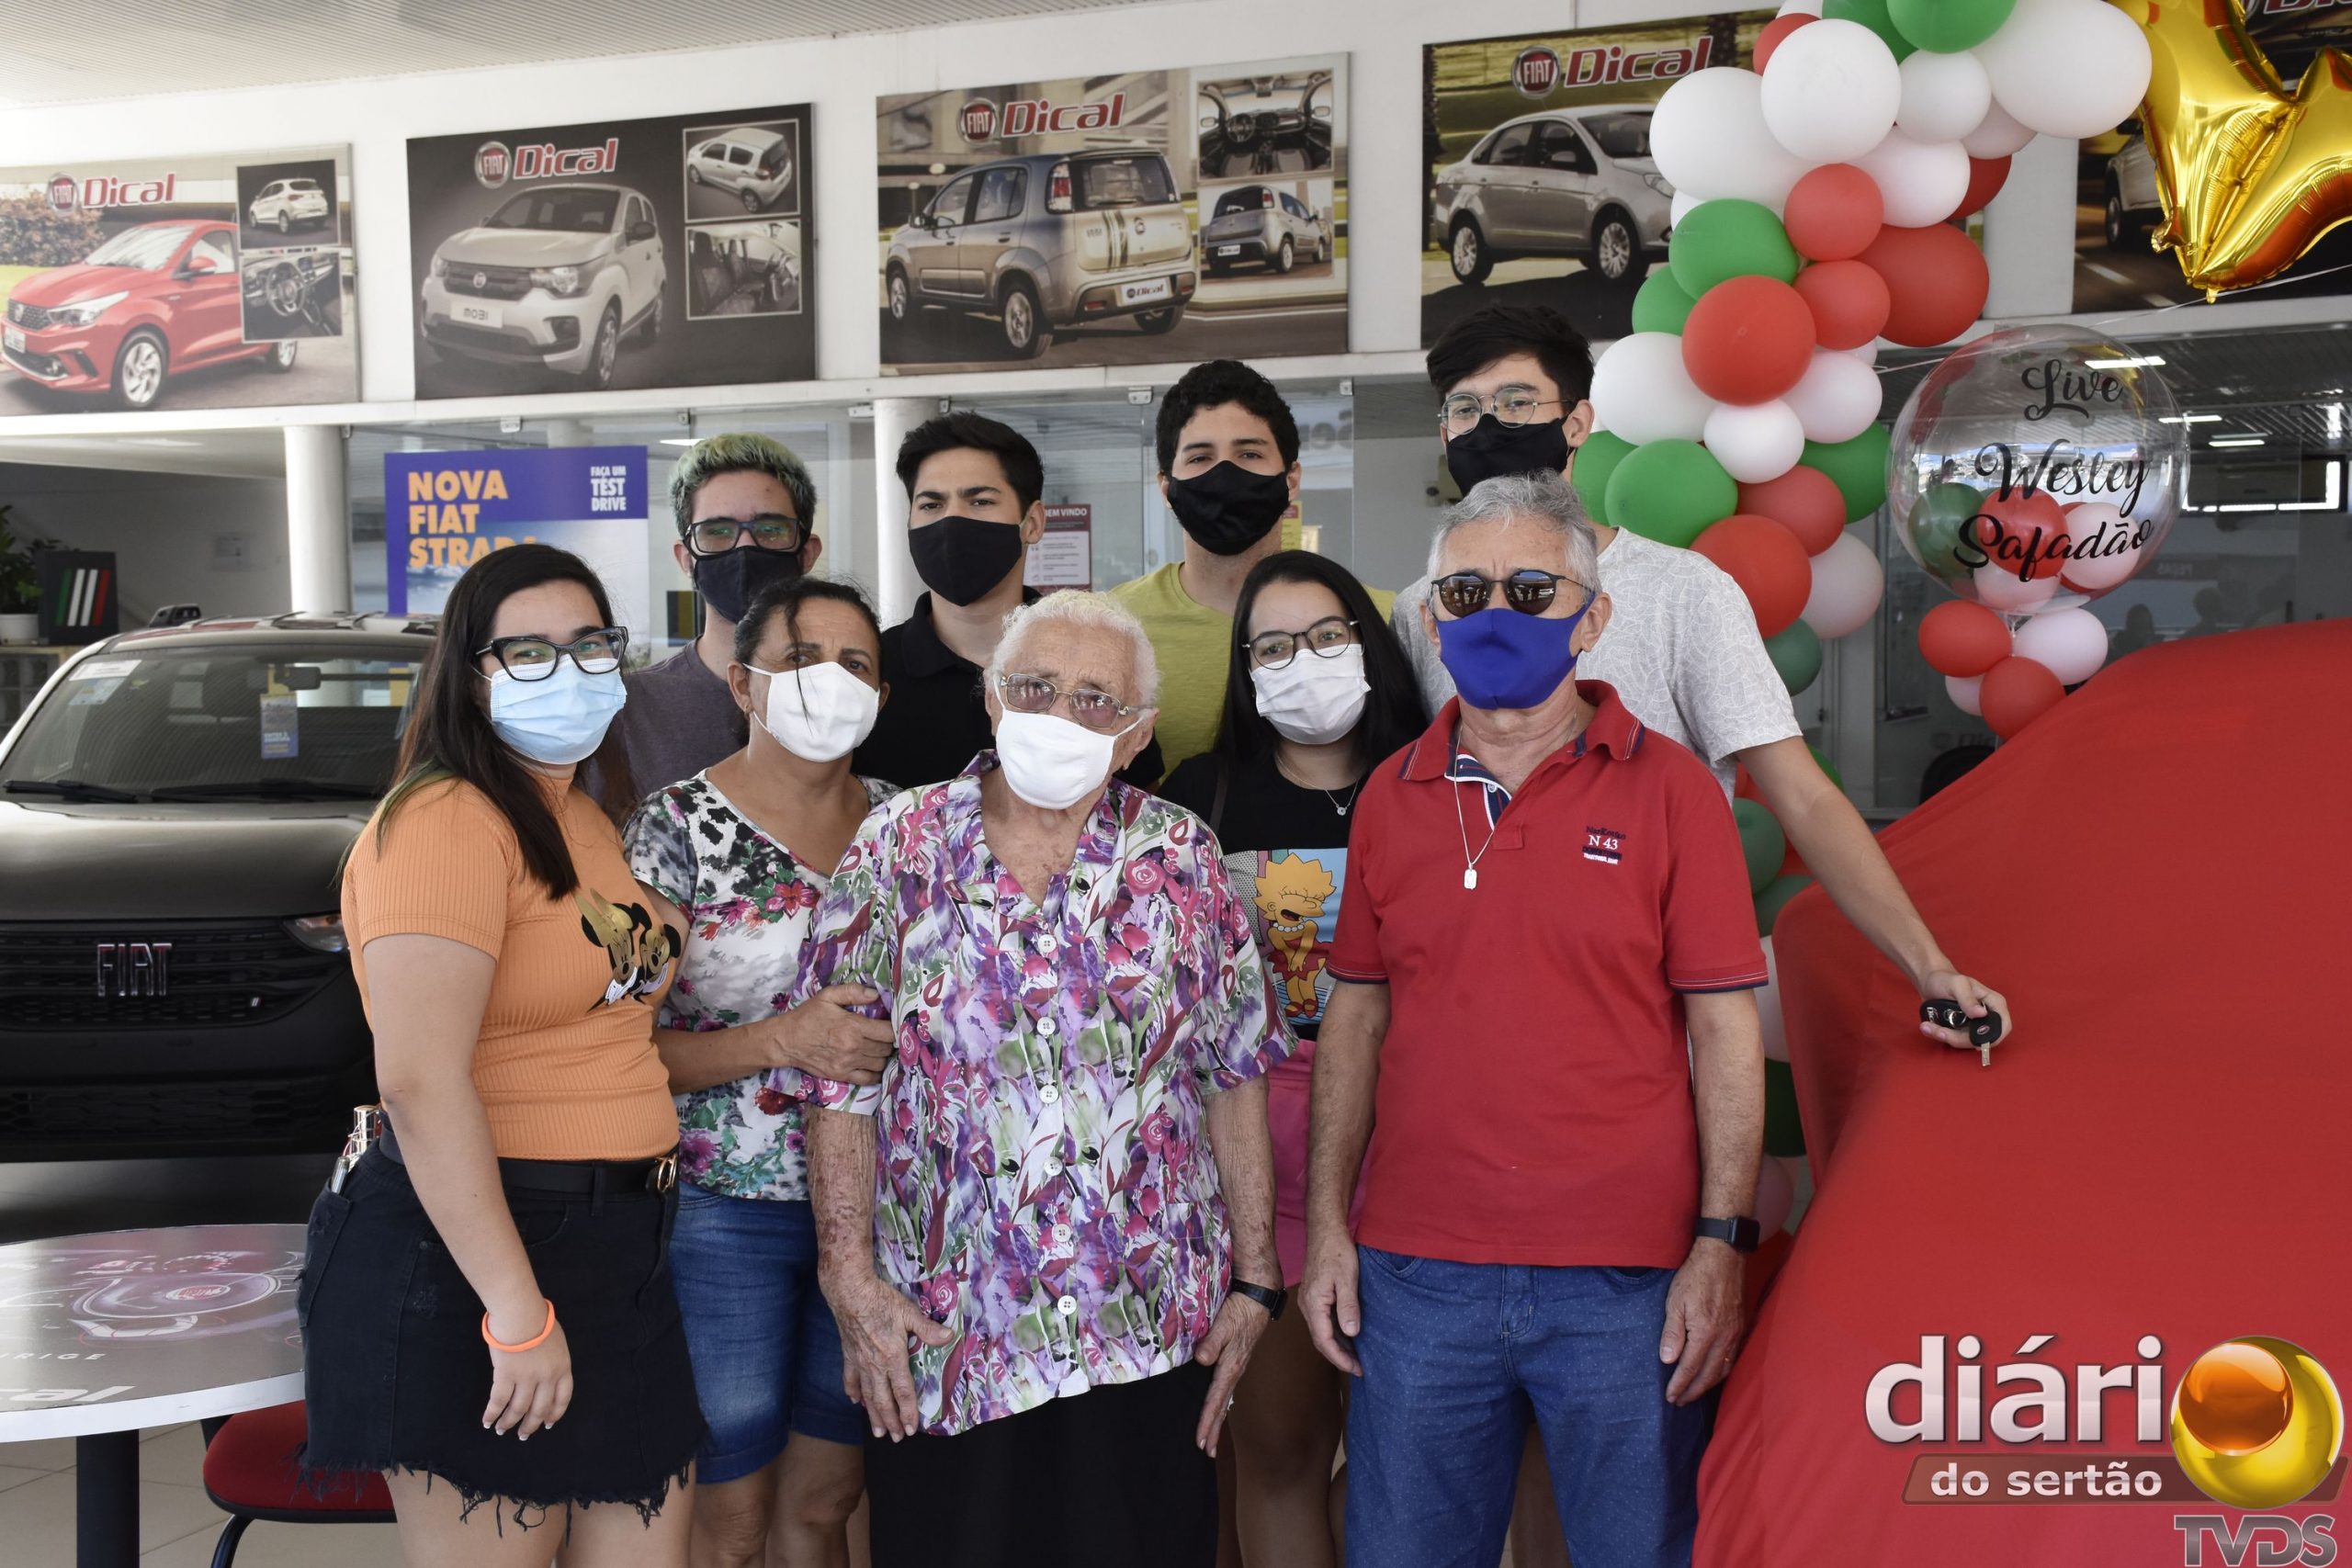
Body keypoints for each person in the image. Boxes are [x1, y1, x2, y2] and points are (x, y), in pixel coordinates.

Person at [1303, 473, 1768, 1568]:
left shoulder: (1675, 793)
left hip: (1629, 1279)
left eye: (1531, 589)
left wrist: (1720, 1241)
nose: (1495, 614)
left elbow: (1723, 1031)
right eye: (1465, 592)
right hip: (1415, 1274)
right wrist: (1326, 1226)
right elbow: (1355, 1019)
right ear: (1433, 621)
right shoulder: (1390, 795)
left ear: (1592, 619)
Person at [799, 591, 1290, 1568]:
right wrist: (847, 1276)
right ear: (991, 698)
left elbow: (1233, 1068)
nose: (1061, 714)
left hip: (1145, 1313)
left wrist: (1257, 1277)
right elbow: (837, 1079)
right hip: (948, 1321)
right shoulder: (898, 845)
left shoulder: (1181, 855)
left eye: (1096, 699)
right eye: (1034, 687)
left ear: (1138, 733)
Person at [300, 543, 700, 1566]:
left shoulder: (581, 816)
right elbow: (418, 1080)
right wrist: (517, 1312)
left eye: (590, 644)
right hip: (483, 1254)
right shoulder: (443, 821)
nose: (568, 670)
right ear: (471, 676)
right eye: (527, 651)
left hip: (621, 1243)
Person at [622, 576, 902, 1568]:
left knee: (827, 1499)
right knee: (730, 1517)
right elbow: (617, 1048)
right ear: (742, 684)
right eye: (800, 658)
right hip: (722, 1216)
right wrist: (781, 1041)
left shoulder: (910, 827)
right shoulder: (672, 830)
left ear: (882, 695)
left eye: (855, 664)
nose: (831, 680)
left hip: (878, 1212)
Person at [1159, 551, 1429, 1568]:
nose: (1301, 663)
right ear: (1244, 670)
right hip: (1260, 1170)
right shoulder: (1204, 796)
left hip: (1423, 1158)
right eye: (1271, 647)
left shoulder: (1440, 779)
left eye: (1325, 636)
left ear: (1368, 643)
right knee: (1277, 1453)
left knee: (1424, 1455)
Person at [1114, 358, 1395, 772]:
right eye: (1200, 458)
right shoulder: (1113, 626)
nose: (1225, 474)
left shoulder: (1380, 619)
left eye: (1249, 453)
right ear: (1166, 488)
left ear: (1291, 480)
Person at [856, 411, 1160, 787]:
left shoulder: (1101, 664)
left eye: (980, 501)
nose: (951, 521)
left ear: (1032, 523)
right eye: (931, 505)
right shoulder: (870, 673)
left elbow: (1138, 803)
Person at [613, 434, 827, 795]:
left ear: (807, 553)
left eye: (770, 530)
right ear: (686, 559)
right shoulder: (630, 710)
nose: (744, 547)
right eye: (717, 532)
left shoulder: (844, 690)